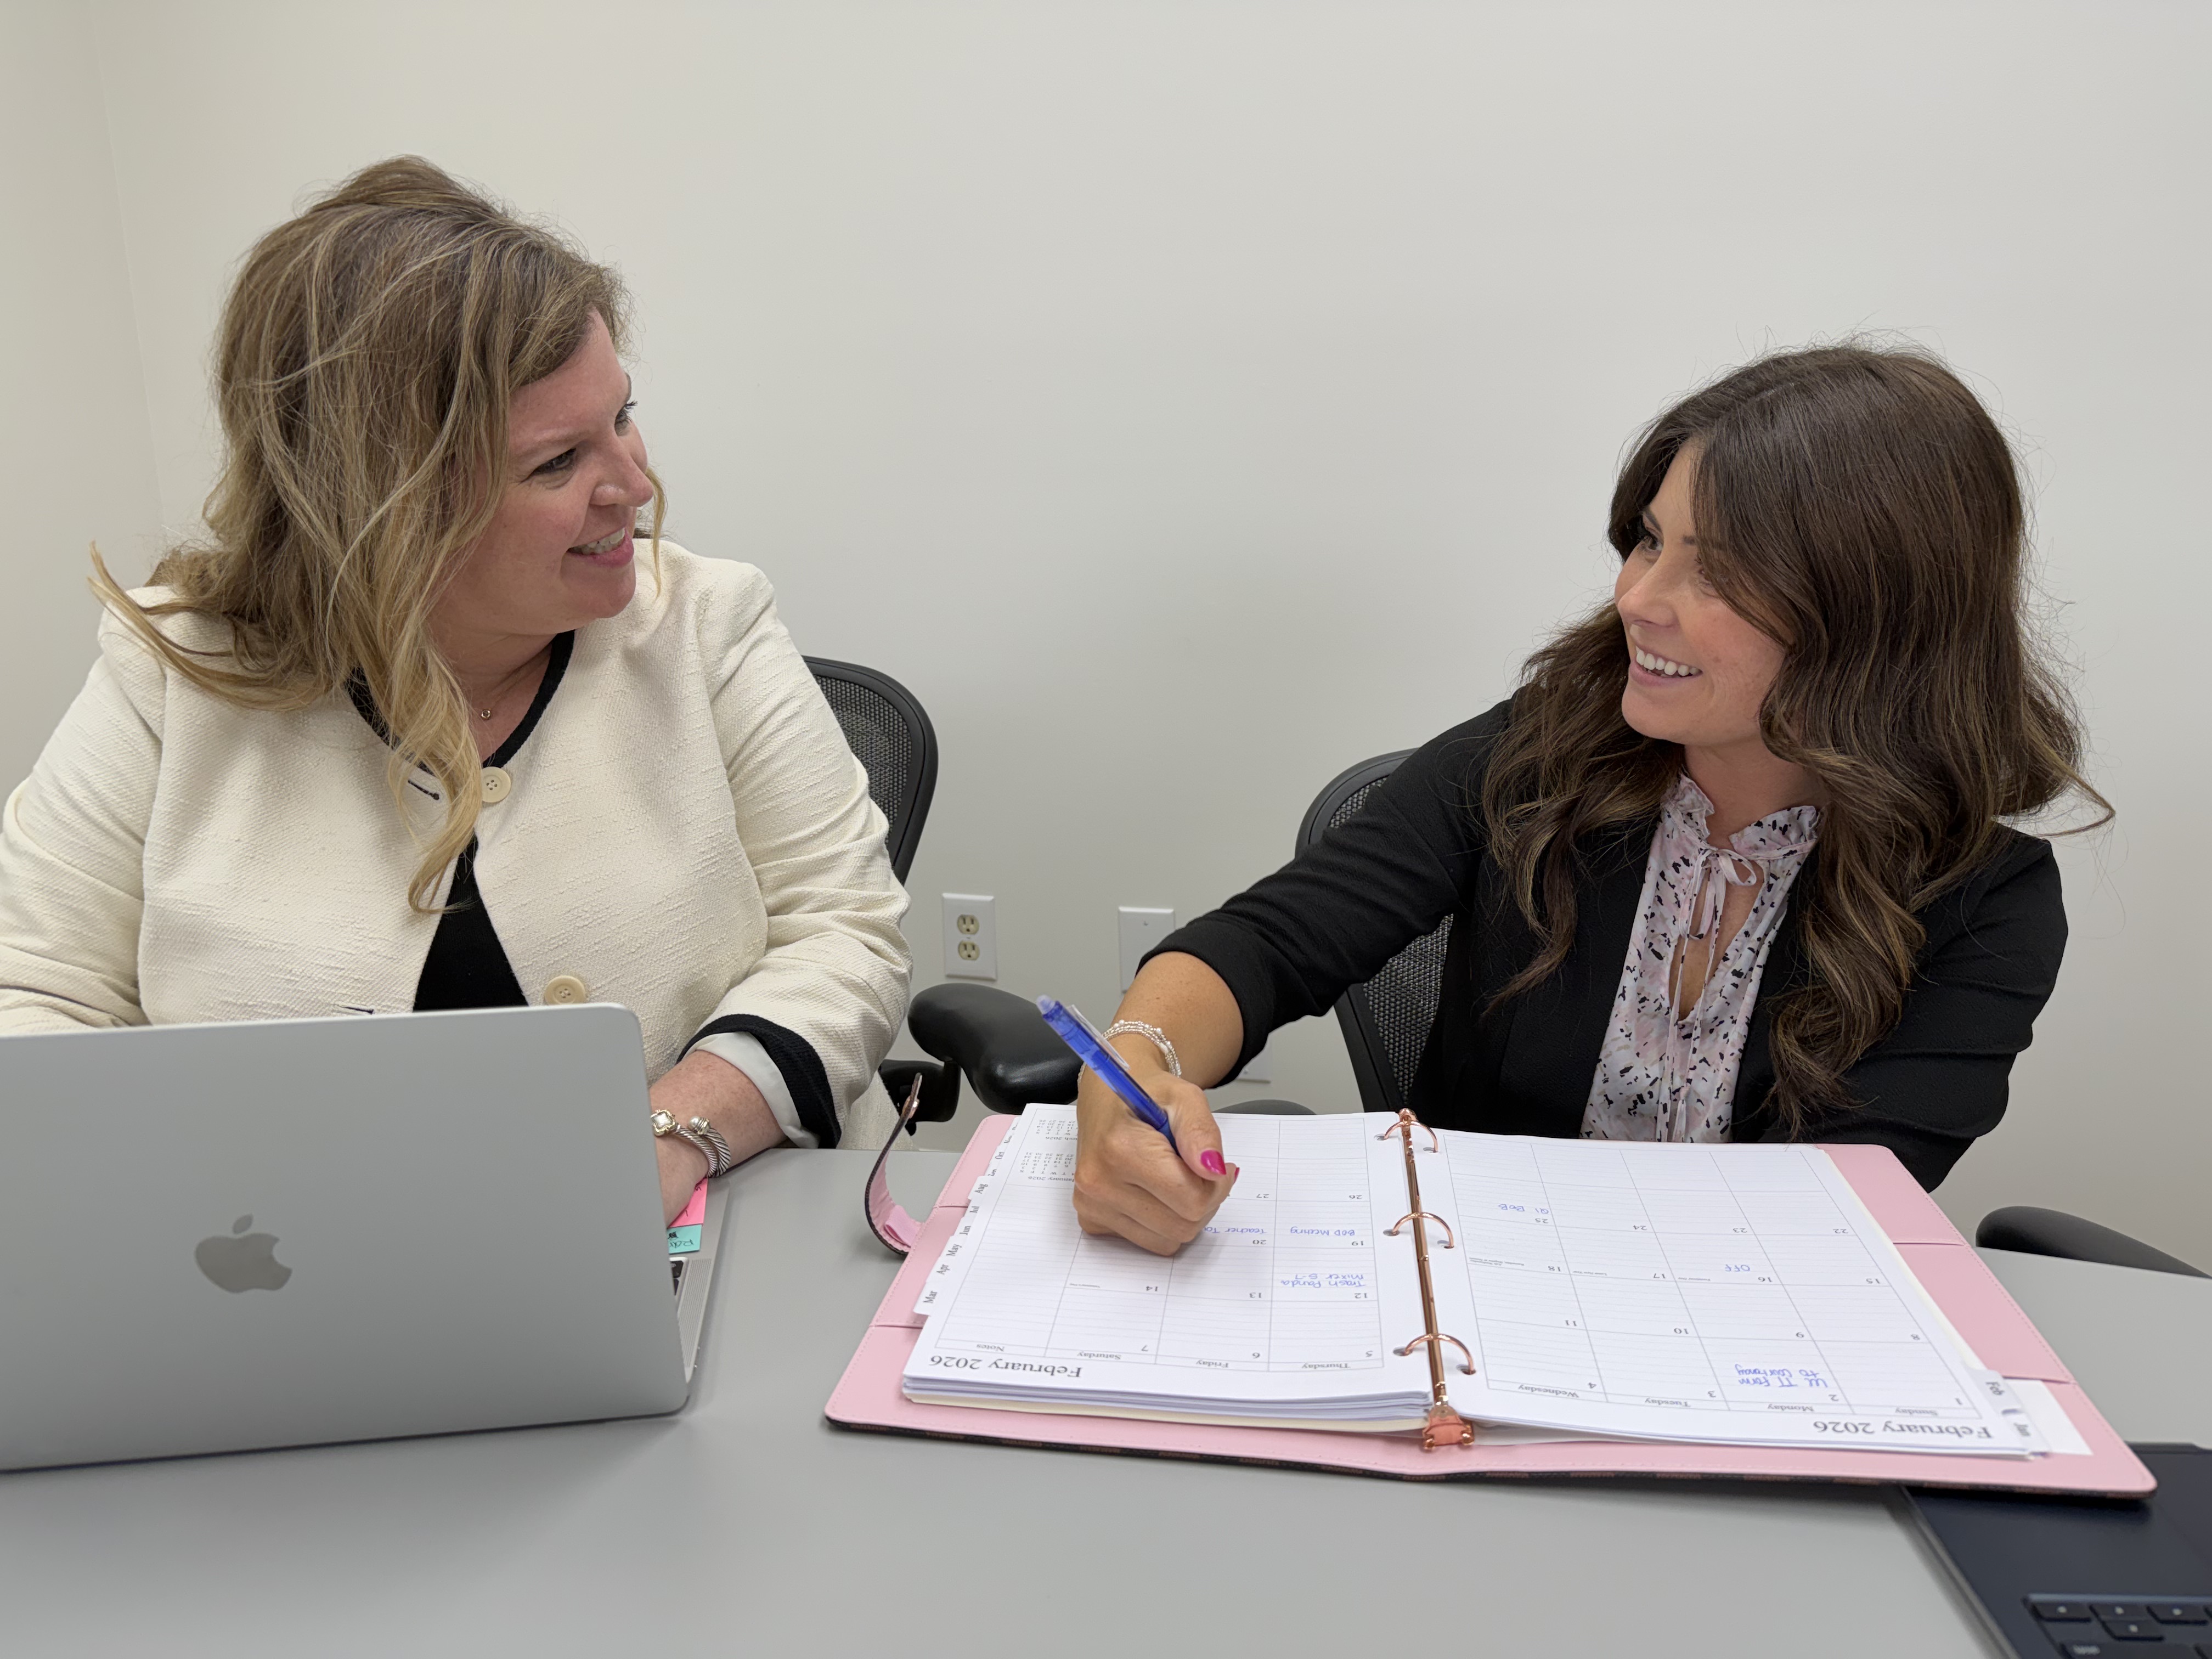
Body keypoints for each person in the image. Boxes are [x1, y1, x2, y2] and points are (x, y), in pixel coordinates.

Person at [0, 158, 911, 1219]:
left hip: (694, 1237)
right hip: (263, 1273)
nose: (633, 484)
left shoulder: (707, 626)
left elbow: (844, 936)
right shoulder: (172, 674)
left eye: (623, 418)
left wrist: (670, 1135)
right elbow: (34, 994)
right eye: (557, 462)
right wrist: (188, 1201)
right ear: (380, 502)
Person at [1074, 344, 2105, 1255]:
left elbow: (1841, 1216)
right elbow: (1264, 945)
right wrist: (1133, 1070)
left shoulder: (1984, 904)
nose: (1636, 599)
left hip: (1733, 1350)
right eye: (1649, 540)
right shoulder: (1537, 756)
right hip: (1465, 1314)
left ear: (1878, 622)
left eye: (1720, 573)